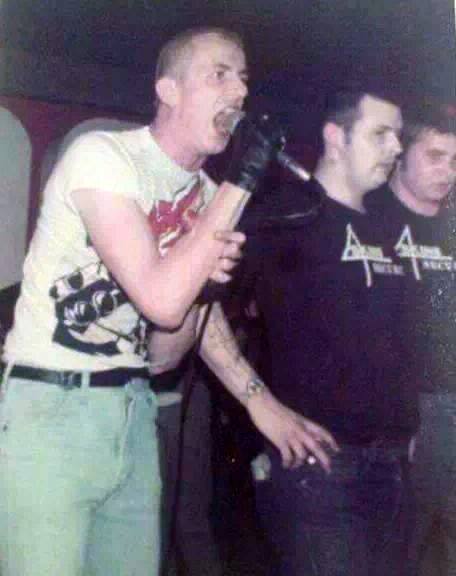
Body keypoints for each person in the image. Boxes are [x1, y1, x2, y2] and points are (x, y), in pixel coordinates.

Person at [0, 26, 319, 576]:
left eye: (243, 79)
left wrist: (258, 400)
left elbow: (168, 350)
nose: (239, 92)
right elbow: (162, 300)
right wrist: (242, 179)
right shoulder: (103, 156)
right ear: (168, 90)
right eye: (219, 75)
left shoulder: (206, 196)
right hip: (51, 405)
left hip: (134, 406)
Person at [234, 90, 416, 576]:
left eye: (399, 135)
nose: (396, 147)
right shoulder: (283, 217)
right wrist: (258, 402)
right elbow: (205, 313)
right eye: (381, 134)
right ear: (336, 138)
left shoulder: (386, 224)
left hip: (392, 464)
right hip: (320, 468)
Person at [367, 103, 456, 575]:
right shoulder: (368, 218)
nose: (448, 172)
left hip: (451, 402)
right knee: (400, 547)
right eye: (435, 157)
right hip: (398, 411)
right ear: (401, 155)